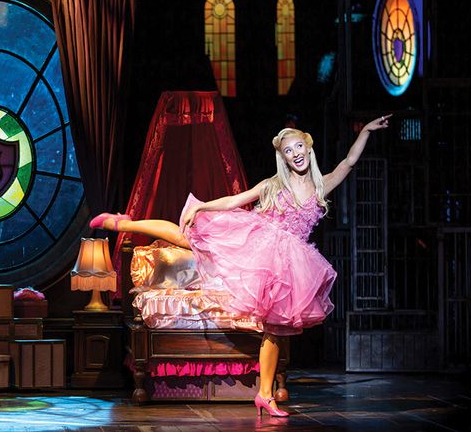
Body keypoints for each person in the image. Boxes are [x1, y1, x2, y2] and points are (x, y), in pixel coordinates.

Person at [90, 115, 392, 417]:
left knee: (275, 328)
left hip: (289, 262)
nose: (296, 153)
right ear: (283, 158)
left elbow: (349, 162)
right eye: (288, 150)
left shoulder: (321, 186)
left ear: (309, 148)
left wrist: (366, 130)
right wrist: (202, 206)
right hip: (257, 245)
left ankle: (265, 395)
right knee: (187, 238)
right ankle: (124, 223)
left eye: (299, 146)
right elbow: (234, 200)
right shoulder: (274, 185)